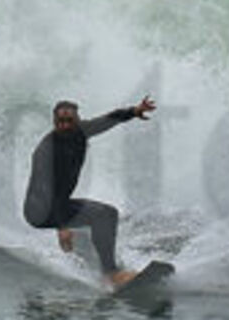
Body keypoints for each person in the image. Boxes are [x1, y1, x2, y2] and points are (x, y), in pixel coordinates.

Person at [22, 95, 155, 287]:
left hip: (59, 203)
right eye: (60, 121)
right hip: (38, 210)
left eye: (69, 121)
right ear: (54, 122)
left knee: (102, 217)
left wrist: (134, 111)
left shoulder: (81, 131)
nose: (65, 125)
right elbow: (46, 191)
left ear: (77, 120)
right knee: (105, 215)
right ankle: (111, 274)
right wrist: (62, 226)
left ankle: (94, 261)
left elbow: (109, 119)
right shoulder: (46, 150)